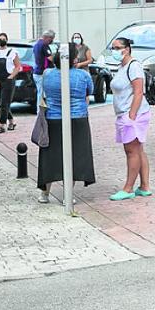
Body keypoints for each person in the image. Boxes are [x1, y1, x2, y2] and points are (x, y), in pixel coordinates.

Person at [36, 44, 96, 204]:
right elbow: (89, 91)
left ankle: (45, 193)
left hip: (53, 119)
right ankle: (67, 195)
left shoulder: (47, 74)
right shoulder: (83, 75)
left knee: (50, 155)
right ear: (74, 58)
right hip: (78, 118)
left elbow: (44, 93)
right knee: (75, 155)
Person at [108, 37, 152, 201]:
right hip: (126, 112)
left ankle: (128, 188)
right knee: (138, 149)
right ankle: (144, 185)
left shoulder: (134, 66)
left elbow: (138, 91)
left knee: (131, 150)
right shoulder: (122, 67)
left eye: (117, 47)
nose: (114, 51)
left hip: (133, 114)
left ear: (126, 49)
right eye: (113, 47)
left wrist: (131, 115)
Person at [0, 33, 22, 132]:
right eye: (0, 39)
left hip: (8, 79)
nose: (2, 40)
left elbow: (18, 66)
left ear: (7, 40)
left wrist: (11, 76)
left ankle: (2, 125)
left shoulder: (12, 52)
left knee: (5, 102)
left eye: (3, 39)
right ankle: (12, 121)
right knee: (0, 103)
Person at [32, 30, 55, 94]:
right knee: (42, 92)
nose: (52, 40)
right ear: (47, 37)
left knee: (40, 91)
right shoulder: (44, 45)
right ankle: (40, 104)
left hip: (37, 71)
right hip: (43, 72)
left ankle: (40, 103)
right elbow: (50, 58)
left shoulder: (36, 44)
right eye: (52, 38)